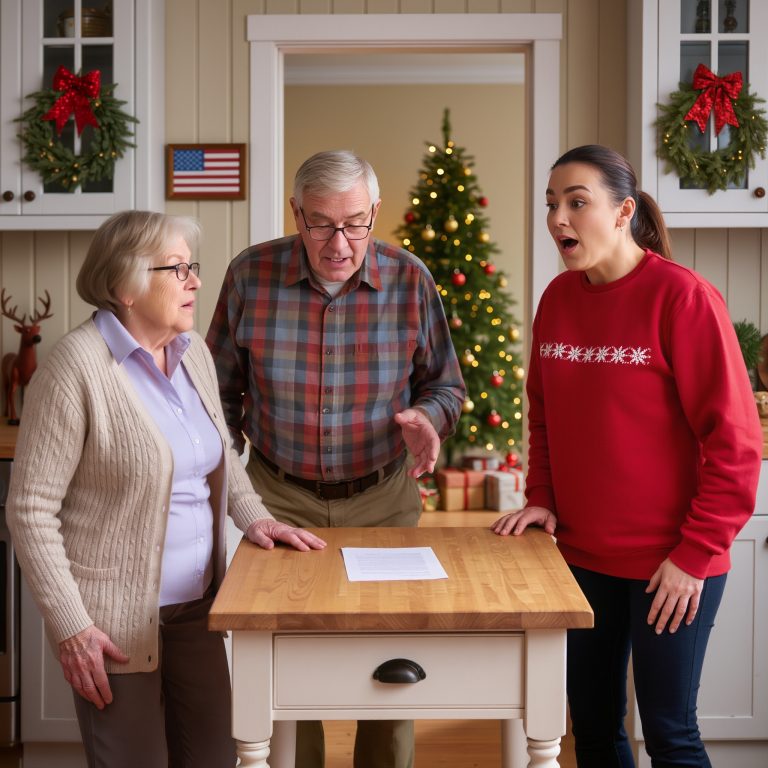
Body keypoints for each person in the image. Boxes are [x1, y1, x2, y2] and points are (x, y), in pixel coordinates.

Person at [6, 210, 326, 768]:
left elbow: (218, 456)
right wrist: (72, 627)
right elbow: (30, 511)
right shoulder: (74, 367)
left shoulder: (192, 352)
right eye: (177, 269)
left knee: (215, 759)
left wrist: (255, 517)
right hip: (114, 625)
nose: (195, 281)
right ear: (125, 286)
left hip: (199, 610)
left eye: (192, 266)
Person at [491, 144, 763, 767]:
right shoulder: (557, 301)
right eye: (552, 204)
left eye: (577, 203)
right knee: (591, 728)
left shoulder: (683, 299)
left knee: (670, 732)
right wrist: (542, 498)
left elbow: (736, 443)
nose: (559, 218)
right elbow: (544, 413)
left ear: (624, 212)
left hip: (673, 564)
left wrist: (693, 556)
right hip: (582, 560)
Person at [206, 149, 466, 768]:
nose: (339, 241)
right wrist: (228, 487)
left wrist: (427, 421)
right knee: (289, 671)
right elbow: (214, 393)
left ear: (375, 213)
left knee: (390, 671)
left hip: (382, 498)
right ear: (297, 213)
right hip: (276, 497)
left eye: (354, 222)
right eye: (320, 223)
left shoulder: (410, 280)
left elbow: (446, 386)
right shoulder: (249, 275)